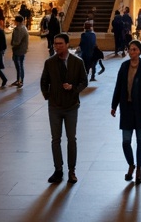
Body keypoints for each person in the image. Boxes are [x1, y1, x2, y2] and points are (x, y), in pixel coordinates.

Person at [40, 33, 88, 184]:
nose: (57, 46)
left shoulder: (77, 62)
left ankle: (72, 171)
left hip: (71, 106)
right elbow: (44, 81)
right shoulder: (50, 63)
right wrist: (49, 95)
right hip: (55, 106)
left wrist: (73, 88)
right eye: (55, 44)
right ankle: (58, 170)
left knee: (71, 139)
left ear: (67, 44)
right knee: (55, 139)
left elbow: (84, 81)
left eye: (60, 44)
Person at [110, 39, 141, 184]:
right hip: (127, 109)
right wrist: (114, 105)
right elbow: (118, 86)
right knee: (126, 141)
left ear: (140, 51)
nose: (131, 52)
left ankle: (139, 170)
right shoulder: (124, 66)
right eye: (130, 49)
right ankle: (131, 164)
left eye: (135, 49)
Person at [10, 14, 29, 88]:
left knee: (19, 66)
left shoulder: (19, 29)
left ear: (17, 21)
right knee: (20, 65)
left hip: (18, 50)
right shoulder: (24, 28)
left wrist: (12, 44)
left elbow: (17, 41)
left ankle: (20, 81)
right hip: (22, 50)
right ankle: (19, 80)